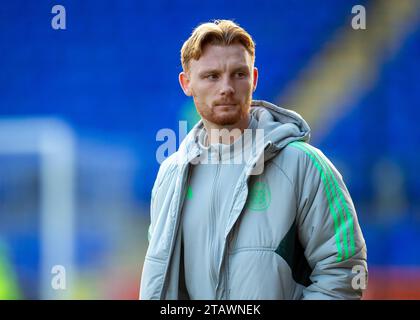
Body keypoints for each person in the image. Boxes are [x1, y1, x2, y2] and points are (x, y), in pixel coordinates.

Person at [140, 19, 368, 300]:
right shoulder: (170, 175)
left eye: (239, 74)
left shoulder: (306, 165)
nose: (226, 87)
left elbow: (343, 272)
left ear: (254, 79)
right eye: (211, 76)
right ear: (187, 83)